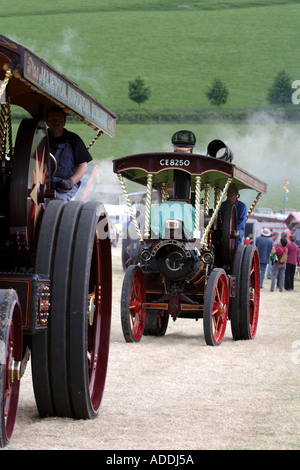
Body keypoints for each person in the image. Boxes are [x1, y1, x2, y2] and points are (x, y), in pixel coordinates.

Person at [46, 107, 93, 201]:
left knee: (56, 202)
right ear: (47, 122)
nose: (56, 122)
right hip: (41, 181)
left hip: (64, 184)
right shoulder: (39, 137)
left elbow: (83, 166)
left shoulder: (74, 140)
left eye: (59, 120)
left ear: (64, 122)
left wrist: (70, 182)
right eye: (52, 120)